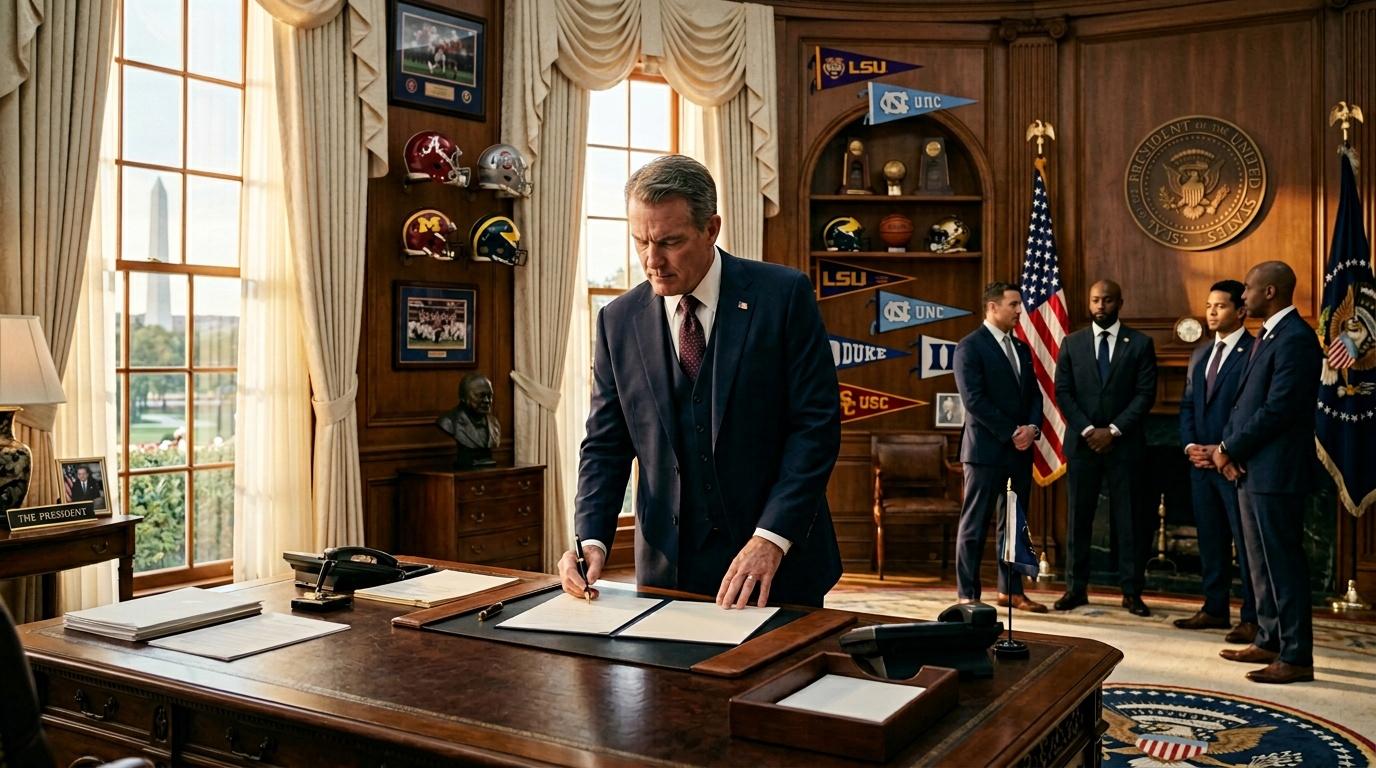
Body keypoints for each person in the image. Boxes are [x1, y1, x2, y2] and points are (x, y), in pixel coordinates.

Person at [559, 154, 843, 608]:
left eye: (670, 242)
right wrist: (590, 538)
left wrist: (771, 538)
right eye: (640, 241)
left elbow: (816, 428)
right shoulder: (617, 320)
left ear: (711, 228)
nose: (652, 261)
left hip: (778, 564)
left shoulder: (783, 296)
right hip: (667, 572)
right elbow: (606, 445)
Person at [1214, 261, 1322, 684]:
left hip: (1277, 471)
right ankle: (1271, 638)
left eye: (1248, 288)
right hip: (1252, 467)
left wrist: (1228, 448)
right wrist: (1230, 448)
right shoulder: (1269, 335)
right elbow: (1244, 404)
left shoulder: (1296, 338)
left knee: (1283, 563)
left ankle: (1296, 655)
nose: (1243, 296)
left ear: (1271, 292)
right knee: (1259, 562)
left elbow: (1279, 409)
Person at [1053, 280, 1158, 616]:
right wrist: (1087, 429)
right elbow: (1063, 392)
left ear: (1120, 303)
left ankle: (1131, 592)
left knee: (1129, 520)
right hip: (1082, 444)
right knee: (1078, 519)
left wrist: (1112, 430)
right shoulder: (1072, 343)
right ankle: (1075, 589)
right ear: (1089, 302)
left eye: (1108, 300)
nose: (1101, 306)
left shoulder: (1140, 343)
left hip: (1124, 445)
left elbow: (1145, 395)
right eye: (1095, 300)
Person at [952, 282, 1047, 612]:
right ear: (992, 307)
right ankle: (968, 595)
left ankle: (1012, 592)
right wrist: (1012, 432)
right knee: (974, 526)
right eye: (1014, 304)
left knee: (1015, 525)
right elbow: (974, 400)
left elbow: (1035, 396)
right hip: (984, 453)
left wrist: (1032, 429)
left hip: (1019, 452)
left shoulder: (1021, 349)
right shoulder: (969, 347)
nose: (1020, 310)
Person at [1176, 280, 1258, 643]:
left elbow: (1249, 411)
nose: (1211, 312)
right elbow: (1187, 407)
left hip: (1234, 464)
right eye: (1209, 305)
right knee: (1210, 538)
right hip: (1201, 464)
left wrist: (1222, 449)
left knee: (1247, 544)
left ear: (1240, 311)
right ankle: (1214, 608)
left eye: (1220, 306)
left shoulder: (1254, 352)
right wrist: (1191, 445)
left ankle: (1254, 617)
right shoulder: (1200, 354)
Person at [436, 373, 500, 467]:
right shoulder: (449, 422)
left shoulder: (495, 424)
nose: (487, 400)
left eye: (489, 395)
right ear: (463, 397)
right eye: (480, 395)